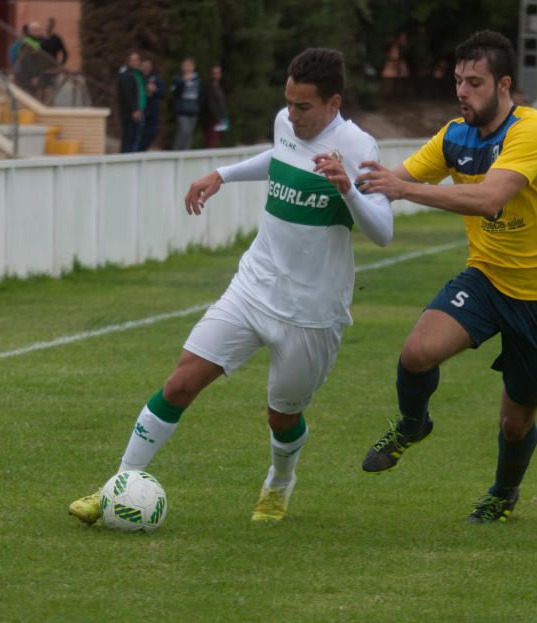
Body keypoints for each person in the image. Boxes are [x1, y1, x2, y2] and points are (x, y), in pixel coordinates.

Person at [69, 47, 395, 525]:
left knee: (281, 417)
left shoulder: (360, 147)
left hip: (311, 311)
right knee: (181, 380)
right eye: (288, 103)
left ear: (333, 103)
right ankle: (118, 484)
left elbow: (383, 233)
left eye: (304, 107)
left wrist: (347, 189)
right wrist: (222, 175)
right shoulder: (286, 124)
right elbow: (280, 154)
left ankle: (279, 483)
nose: (292, 114)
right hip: (253, 286)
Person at [355, 30, 537, 524]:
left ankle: (504, 493)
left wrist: (402, 189)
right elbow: (391, 181)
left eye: (474, 82)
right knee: (417, 352)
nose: (462, 91)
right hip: (486, 278)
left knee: (514, 422)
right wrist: (347, 184)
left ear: (504, 85)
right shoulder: (453, 135)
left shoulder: (533, 131)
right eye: (458, 80)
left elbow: (488, 199)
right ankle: (413, 424)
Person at [116, 50, 146, 153]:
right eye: (133, 60)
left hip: (140, 109)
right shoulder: (126, 75)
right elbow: (127, 94)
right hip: (131, 112)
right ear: (128, 62)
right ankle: (125, 160)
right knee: (129, 138)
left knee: (135, 138)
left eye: (137, 60)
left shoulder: (138, 74)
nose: (135, 62)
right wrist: (134, 110)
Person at [170, 56, 200, 150]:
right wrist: (183, 81)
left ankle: (186, 152)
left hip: (193, 109)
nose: (187, 67)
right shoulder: (177, 78)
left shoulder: (196, 78)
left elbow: (200, 94)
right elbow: (175, 93)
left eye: (189, 65)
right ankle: (176, 151)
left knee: (189, 133)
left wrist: (197, 106)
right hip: (182, 110)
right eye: (185, 65)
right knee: (184, 131)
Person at [38, 17, 67, 103]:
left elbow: (65, 53)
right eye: (47, 24)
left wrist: (61, 66)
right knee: (39, 94)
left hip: (52, 70)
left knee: (50, 95)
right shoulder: (40, 39)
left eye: (51, 24)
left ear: (53, 26)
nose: (49, 26)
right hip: (40, 70)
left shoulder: (56, 39)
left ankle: (49, 109)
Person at [139, 56, 164, 151]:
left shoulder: (156, 78)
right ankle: (137, 151)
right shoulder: (138, 77)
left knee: (152, 133)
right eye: (143, 65)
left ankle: (142, 150)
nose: (145, 67)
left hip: (152, 110)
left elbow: (163, 93)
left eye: (147, 65)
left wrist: (155, 90)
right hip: (141, 109)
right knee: (140, 133)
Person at [203, 64, 228, 148]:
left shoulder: (219, 87)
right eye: (214, 73)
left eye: (218, 73)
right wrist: (217, 117)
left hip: (221, 117)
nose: (216, 75)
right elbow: (211, 104)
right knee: (211, 139)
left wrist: (223, 116)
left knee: (218, 138)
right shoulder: (210, 87)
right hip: (213, 118)